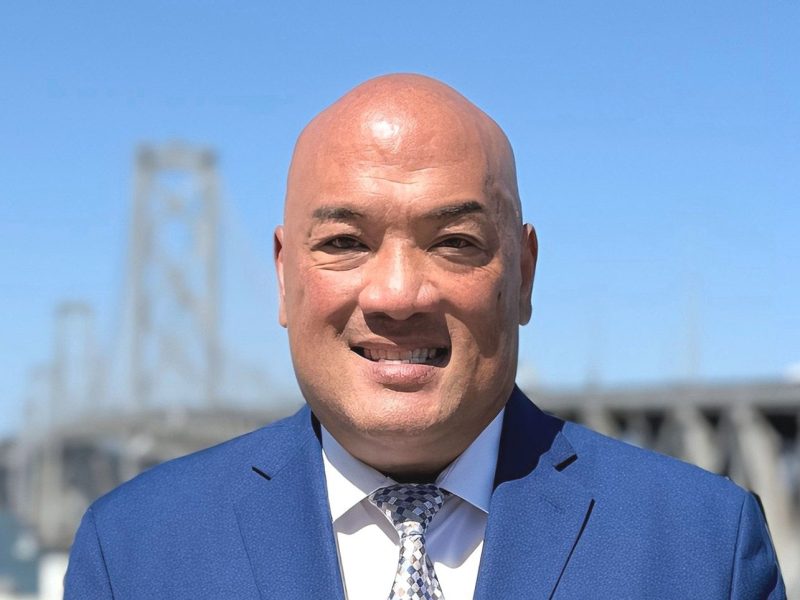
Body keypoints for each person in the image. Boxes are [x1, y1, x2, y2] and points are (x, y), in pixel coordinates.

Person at [65, 74, 785, 599]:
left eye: (455, 242)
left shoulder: (705, 547)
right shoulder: (131, 552)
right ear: (284, 277)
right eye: (345, 242)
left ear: (523, 274)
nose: (396, 294)